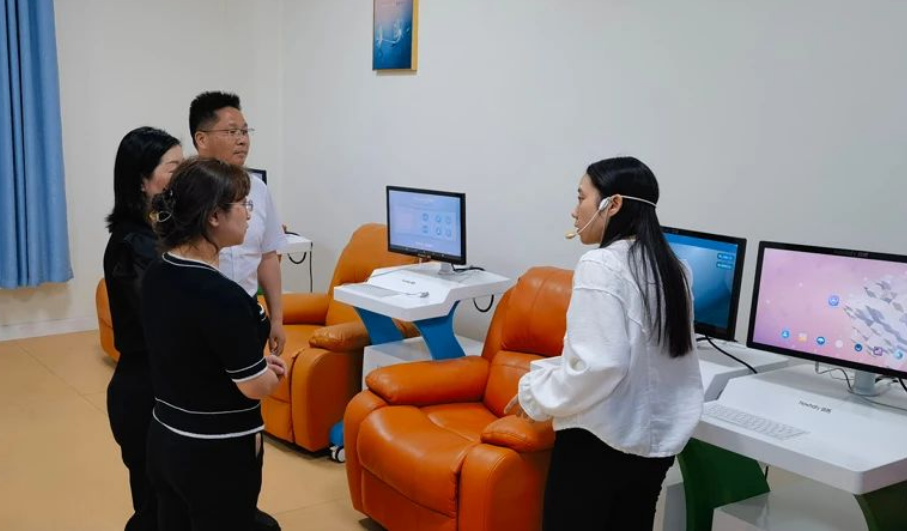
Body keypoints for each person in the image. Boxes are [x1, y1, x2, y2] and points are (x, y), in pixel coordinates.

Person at [509, 157, 704, 531]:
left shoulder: (600, 265)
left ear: (612, 204)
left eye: (581, 197)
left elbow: (600, 365)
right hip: (653, 448)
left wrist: (535, 395)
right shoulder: (675, 268)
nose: (574, 210)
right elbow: (643, 358)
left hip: (599, 444)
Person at [142, 158, 287, 531]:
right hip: (215, 448)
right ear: (214, 217)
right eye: (241, 204)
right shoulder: (222, 296)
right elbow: (252, 386)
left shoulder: (158, 271)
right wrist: (272, 375)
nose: (249, 214)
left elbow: (192, 353)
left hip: (164, 437)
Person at [103, 126, 183, 531]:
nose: (182, 176)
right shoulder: (133, 244)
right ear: (142, 179)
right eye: (173, 168)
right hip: (144, 392)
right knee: (155, 509)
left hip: (163, 386)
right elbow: (166, 318)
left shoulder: (158, 233)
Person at [189, 91, 288, 358]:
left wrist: (277, 319)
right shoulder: (185, 191)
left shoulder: (258, 189)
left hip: (245, 311)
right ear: (201, 139)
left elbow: (267, 256)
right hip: (197, 316)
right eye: (231, 132)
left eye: (244, 131)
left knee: (250, 383)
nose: (242, 140)